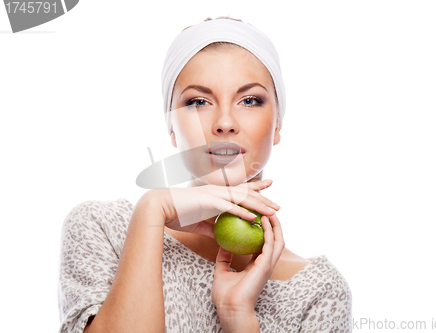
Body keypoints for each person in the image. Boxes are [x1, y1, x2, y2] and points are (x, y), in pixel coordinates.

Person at [58, 16, 352, 333]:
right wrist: (152, 210)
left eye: (249, 100)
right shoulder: (104, 228)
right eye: (199, 102)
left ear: (277, 125)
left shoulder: (319, 292)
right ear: (171, 129)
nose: (224, 122)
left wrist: (237, 316)